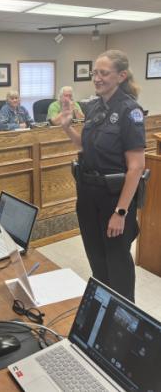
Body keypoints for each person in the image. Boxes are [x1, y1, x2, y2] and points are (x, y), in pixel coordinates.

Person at [61, 50, 145, 302]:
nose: (97, 78)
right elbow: (86, 147)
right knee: (96, 261)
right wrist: (67, 128)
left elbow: (136, 167)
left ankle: (124, 321)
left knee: (117, 263)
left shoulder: (131, 111)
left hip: (113, 198)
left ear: (120, 76)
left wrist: (121, 212)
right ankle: (102, 314)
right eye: (94, 72)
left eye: (103, 73)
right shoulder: (94, 106)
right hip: (87, 194)